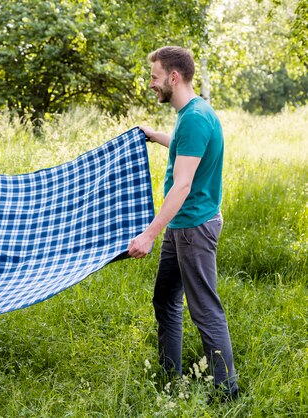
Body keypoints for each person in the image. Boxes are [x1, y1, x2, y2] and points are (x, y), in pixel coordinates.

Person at [127, 46, 238, 399]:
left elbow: (183, 183)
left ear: (174, 77)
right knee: (165, 300)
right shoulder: (193, 113)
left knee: (204, 310)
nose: (151, 84)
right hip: (183, 226)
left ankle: (227, 391)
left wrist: (148, 235)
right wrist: (153, 135)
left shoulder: (193, 117)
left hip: (193, 228)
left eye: (155, 77)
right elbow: (187, 146)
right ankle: (169, 376)